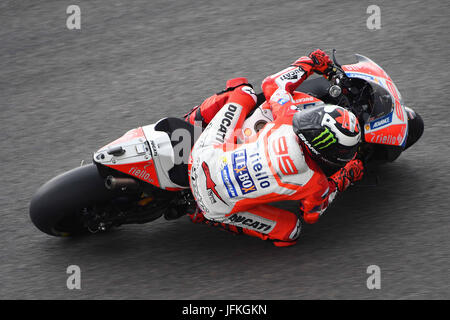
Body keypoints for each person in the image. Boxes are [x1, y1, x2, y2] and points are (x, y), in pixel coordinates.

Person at [185, 49, 364, 247]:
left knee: (243, 91)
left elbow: (272, 84)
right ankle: (205, 216)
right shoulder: (316, 183)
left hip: (201, 157)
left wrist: (310, 63)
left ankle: (192, 120)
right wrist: (345, 176)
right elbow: (312, 214)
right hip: (214, 204)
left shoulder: (287, 119)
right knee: (290, 232)